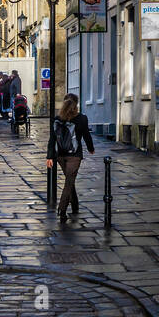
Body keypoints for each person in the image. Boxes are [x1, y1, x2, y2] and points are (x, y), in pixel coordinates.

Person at [46, 94, 94, 223]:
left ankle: (75, 205)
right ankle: (62, 209)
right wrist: (91, 148)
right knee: (69, 182)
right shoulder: (82, 119)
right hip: (74, 155)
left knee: (69, 179)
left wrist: (50, 156)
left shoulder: (57, 119)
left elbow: (52, 139)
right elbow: (86, 136)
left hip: (60, 155)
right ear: (77, 104)